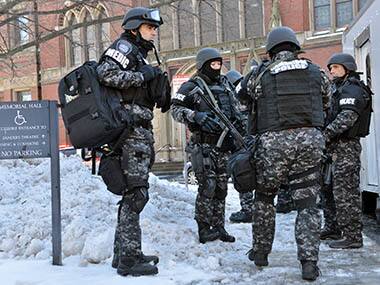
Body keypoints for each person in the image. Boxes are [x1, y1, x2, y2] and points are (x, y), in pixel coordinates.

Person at [239, 26, 331, 281]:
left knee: (265, 197)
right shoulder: (315, 71)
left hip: (274, 143)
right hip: (310, 141)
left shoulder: (260, 73)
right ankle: (309, 263)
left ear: (271, 50)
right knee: (307, 203)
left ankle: (260, 252)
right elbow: (326, 101)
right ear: (294, 48)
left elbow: (243, 102)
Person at [96, 7, 166, 276]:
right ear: (135, 27)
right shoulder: (124, 47)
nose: (154, 32)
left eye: (155, 28)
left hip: (138, 130)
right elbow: (106, 72)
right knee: (136, 195)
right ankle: (129, 260)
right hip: (129, 131)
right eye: (150, 27)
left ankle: (125, 253)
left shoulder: (138, 53)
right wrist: (142, 76)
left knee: (133, 194)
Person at [171, 47, 245, 244]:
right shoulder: (191, 86)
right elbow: (175, 109)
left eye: (219, 64)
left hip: (224, 145)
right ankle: (204, 228)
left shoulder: (226, 84)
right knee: (207, 187)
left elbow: (237, 110)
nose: (217, 68)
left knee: (222, 188)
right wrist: (196, 115)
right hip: (203, 146)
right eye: (212, 64)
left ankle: (219, 226)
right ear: (203, 65)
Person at [321, 53, 371, 249]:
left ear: (347, 68)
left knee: (346, 193)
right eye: (330, 67)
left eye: (335, 67)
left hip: (346, 148)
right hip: (333, 148)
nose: (331, 71)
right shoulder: (338, 88)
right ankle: (333, 228)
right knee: (328, 190)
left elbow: (347, 118)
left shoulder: (353, 89)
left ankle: (353, 236)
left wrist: (324, 134)